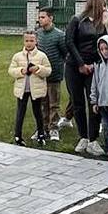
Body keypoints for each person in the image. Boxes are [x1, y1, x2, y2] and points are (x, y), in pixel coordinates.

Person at [66, 0, 107, 157]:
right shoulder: (77, 20)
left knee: (93, 103)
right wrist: (81, 64)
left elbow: (102, 45)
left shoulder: (101, 24)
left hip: (93, 67)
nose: (105, 9)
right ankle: (82, 136)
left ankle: (93, 138)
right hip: (74, 67)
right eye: (103, 6)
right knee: (77, 102)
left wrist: (93, 64)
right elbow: (69, 42)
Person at [7, 30, 52, 145]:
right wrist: (21, 71)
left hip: (36, 90)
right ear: (23, 41)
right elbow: (11, 70)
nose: (29, 43)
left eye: (32, 40)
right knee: (20, 112)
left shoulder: (41, 56)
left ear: (36, 41)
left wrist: (38, 69)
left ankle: (41, 134)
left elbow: (48, 70)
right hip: (22, 90)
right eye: (27, 40)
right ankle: (18, 135)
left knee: (38, 112)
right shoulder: (17, 56)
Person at [35, 8, 68, 141]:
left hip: (54, 74)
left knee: (54, 103)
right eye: (39, 17)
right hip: (41, 75)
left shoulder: (59, 35)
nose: (40, 19)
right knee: (43, 103)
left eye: (43, 17)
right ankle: (43, 127)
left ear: (50, 18)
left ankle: (54, 128)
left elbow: (65, 53)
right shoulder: (38, 34)